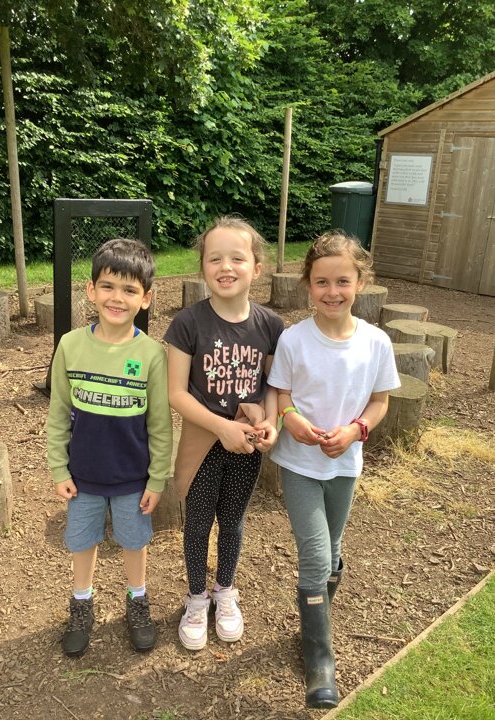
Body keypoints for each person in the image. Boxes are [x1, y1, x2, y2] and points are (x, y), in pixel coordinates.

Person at [267, 231, 400, 708]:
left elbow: (380, 401)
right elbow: (281, 392)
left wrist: (356, 430)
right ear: (308, 285)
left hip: (345, 462)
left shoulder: (376, 342)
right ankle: (320, 660)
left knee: (334, 548)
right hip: (299, 462)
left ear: (360, 282)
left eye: (343, 281)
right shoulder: (293, 339)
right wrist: (290, 419)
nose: (332, 291)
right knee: (316, 554)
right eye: (321, 282)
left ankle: (312, 624)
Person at [47, 238, 172, 658]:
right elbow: (58, 412)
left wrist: (157, 479)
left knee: (134, 541)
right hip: (82, 476)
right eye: (108, 286)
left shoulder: (151, 354)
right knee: (83, 541)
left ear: (146, 298)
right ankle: (82, 603)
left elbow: (160, 424)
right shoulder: (70, 345)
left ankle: (137, 600)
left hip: (133, 478)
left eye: (129, 290)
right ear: (91, 290)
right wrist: (59, 468)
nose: (117, 298)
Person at [164, 216, 284, 651]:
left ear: (257, 267)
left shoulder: (270, 325)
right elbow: (176, 392)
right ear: (202, 267)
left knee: (232, 522)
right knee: (197, 524)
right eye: (214, 258)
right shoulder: (188, 323)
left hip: (246, 445)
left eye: (237, 258)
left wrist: (271, 423)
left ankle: (225, 591)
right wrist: (221, 427)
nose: (226, 267)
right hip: (204, 443)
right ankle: (197, 598)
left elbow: (274, 385)